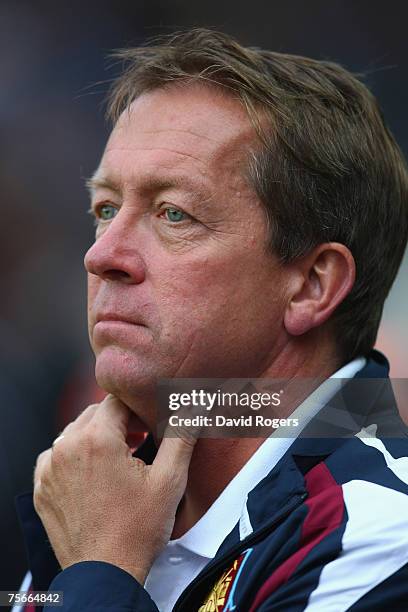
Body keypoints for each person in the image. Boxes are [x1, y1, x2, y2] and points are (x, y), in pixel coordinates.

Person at [14, 28, 408, 611]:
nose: (101, 256)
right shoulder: (93, 495)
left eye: (174, 213)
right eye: (105, 209)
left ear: (311, 285)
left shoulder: (382, 532)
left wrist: (101, 570)